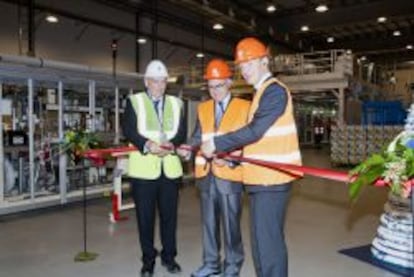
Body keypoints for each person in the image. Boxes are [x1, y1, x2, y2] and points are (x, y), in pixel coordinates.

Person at [201, 37, 302, 277]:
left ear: (264, 61)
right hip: (260, 180)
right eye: (241, 66)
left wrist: (216, 143)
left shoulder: (275, 91)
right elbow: (257, 142)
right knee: (260, 245)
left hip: (273, 181)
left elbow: (255, 130)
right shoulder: (260, 93)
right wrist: (232, 159)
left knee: (269, 247)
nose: (243, 71)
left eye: (248, 64)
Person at [177, 59, 249, 277]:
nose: (214, 91)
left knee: (231, 226)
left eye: (218, 85)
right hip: (207, 175)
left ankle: (232, 266)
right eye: (210, 86)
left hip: (230, 175)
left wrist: (231, 160)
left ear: (229, 83)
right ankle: (211, 264)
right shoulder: (204, 107)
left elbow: (249, 141)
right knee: (208, 224)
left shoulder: (244, 107)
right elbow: (199, 135)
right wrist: (189, 148)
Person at [122, 59, 186, 277]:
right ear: (146, 82)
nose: (160, 86)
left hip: (169, 169)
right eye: (155, 81)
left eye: (163, 82)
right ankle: (148, 259)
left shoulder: (178, 104)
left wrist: (171, 145)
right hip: (143, 171)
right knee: (145, 218)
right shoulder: (134, 101)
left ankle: (169, 257)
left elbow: (181, 132)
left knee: (169, 218)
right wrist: (148, 145)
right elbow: (129, 129)